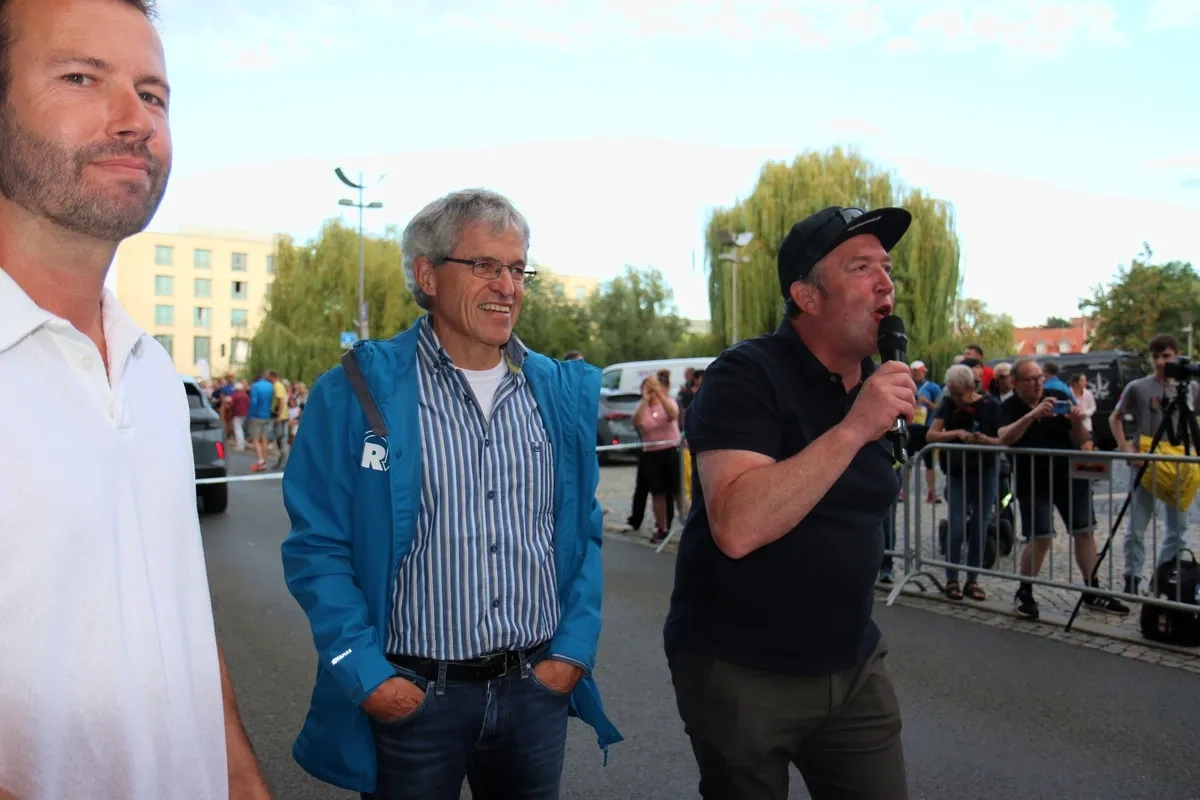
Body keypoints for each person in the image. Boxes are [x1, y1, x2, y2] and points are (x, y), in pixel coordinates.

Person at [0, 1, 271, 798]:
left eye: (153, 94)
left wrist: (240, 775)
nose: (136, 121)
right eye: (81, 77)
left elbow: (172, 614)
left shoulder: (152, 374)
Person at [280, 188, 622, 798]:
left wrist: (571, 652)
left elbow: (581, 532)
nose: (507, 286)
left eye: (517, 268)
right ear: (427, 275)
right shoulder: (358, 391)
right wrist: (366, 675)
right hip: (412, 699)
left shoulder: (555, 392)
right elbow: (317, 547)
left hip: (534, 693)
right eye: (485, 265)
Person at [664, 205, 917, 800]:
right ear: (806, 296)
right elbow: (737, 526)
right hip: (742, 671)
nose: (885, 283)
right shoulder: (745, 375)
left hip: (852, 664)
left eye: (886, 267)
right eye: (861, 267)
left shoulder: (873, 383)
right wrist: (854, 428)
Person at [998, 358, 1130, 618]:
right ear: (1016, 383)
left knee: (1084, 531)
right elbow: (1005, 437)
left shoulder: (1057, 395)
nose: (1038, 384)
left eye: (1040, 378)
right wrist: (1033, 415)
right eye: (1031, 379)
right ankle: (1025, 591)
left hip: (1070, 475)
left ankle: (1093, 589)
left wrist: (1076, 421)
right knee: (1040, 536)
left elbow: (1081, 439)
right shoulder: (1009, 406)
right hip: (1032, 478)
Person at [1108, 334, 1199, 595]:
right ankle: (1132, 576)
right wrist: (1126, 448)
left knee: (1178, 529)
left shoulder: (1192, 389)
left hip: (1179, 463)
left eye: (1166, 356)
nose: (1160, 362)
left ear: (1177, 356)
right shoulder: (1138, 387)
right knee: (1137, 527)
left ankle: (1162, 576)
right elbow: (1115, 418)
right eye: (1156, 356)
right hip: (1146, 463)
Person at [926, 364, 1002, 601]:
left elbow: (1002, 436)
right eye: (952, 392)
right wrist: (956, 434)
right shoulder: (948, 404)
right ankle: (952, 578)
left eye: (959, 393)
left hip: (985, 471)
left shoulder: (990, 405)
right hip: (957, 472)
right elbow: (931, 434)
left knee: (980, 527)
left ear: (971, 387)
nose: (956, 398)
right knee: (957, 527)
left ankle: (972, 580)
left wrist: (985, 440)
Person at [632, 375, 681, 544]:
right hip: (651, 453)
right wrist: (645, 399)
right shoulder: (641, 407)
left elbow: (673, 414)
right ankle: (662, 527)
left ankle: (689, 524)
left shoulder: (668, 402)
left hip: (671, 450)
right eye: (647, 387)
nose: (651, 390)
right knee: (657, 493)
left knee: (678, 491)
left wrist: (659, 393)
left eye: (653, 386)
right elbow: (637, 422)